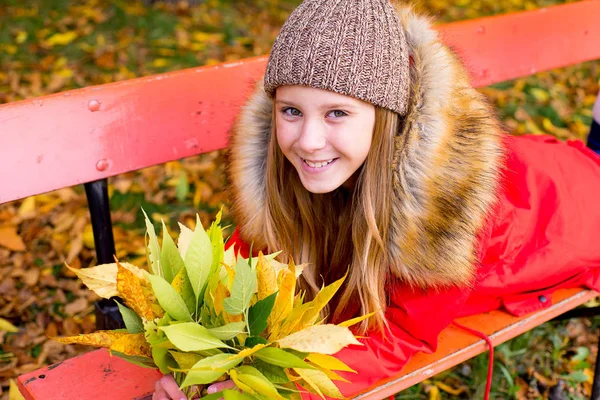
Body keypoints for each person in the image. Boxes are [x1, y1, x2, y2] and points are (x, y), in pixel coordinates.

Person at [153, 0, 600, 399]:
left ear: (387, 121)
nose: (308, 141)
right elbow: (247, 265)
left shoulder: (444, 209)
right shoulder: (291, 168)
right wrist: (192, 360)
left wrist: (278, 389)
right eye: (291, 110)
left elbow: (401, 331)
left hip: (570, 207)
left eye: (337, 113)